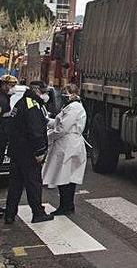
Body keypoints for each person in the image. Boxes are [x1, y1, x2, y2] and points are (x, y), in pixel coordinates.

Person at [3, 82, 53, 224]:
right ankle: (38, 213)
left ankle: (10, 214)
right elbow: (35, 131)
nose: (45, 95)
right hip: (28, 152)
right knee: (33, 183)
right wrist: (39, 151)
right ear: (36, 91)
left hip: (17, 151)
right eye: (43, 92)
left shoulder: (20, 103)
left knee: (15, 185)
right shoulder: (31, 105)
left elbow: (10, 127)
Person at [43, 84, 87, 216]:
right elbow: (58, 122)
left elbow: (62, 128)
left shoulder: (74, 107)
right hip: (68, 144)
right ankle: (67, 205)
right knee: (66, 177)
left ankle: (65, 206)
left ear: (73, 94)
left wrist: (48, 137)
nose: (64, 95)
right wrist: (46, 121)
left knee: (65, 177)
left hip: (68, 145)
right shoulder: (70, 107)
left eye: (66, 93)